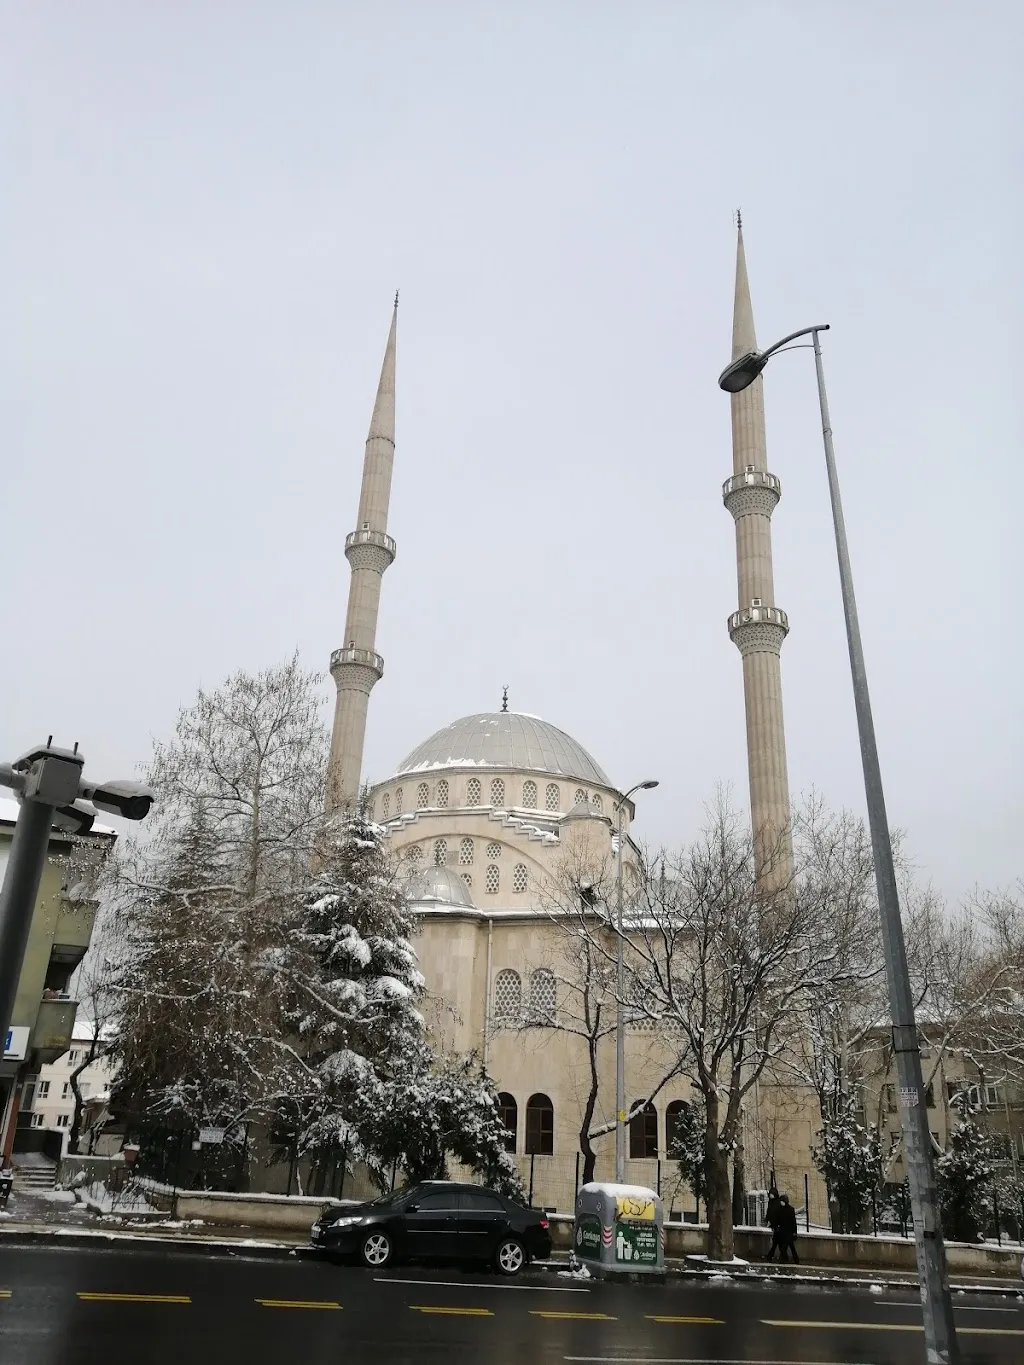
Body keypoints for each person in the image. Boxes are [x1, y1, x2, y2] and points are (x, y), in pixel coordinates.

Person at [777, 1193, 800, 1263]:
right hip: (783, 1231)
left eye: (782, 1201)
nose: (781, 1203)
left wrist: (794, 1232)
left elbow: (793, 1222)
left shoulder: (790, 1210)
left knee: (786, 1247)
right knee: (788, 1247)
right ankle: (791, 1259)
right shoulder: (780, 1209)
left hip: (788, 1232)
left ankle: (785, 1259)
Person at [764, 1191, 782, 1261]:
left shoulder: (777, 1202)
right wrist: (768, 1219)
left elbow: (776, 1213)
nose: (770, 1196)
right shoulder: (771, 1202)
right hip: (774, 1224)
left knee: (776, 1242)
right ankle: (782, 1256)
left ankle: (770, 1256)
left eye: (771, 1194)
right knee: (777, 1242)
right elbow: (769, 1211)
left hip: (777, 1224)